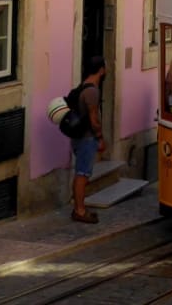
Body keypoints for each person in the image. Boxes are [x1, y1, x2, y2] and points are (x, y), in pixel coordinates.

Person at [71, 55, 106, 224]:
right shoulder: (92, 91)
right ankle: (80, 210)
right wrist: (100, 138)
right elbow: (94, 120)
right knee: (82, 175)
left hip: (78, 137)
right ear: (101, 70)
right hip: (86, 138)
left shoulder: (83, 86)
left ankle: (78, 208)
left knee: (81, 173)